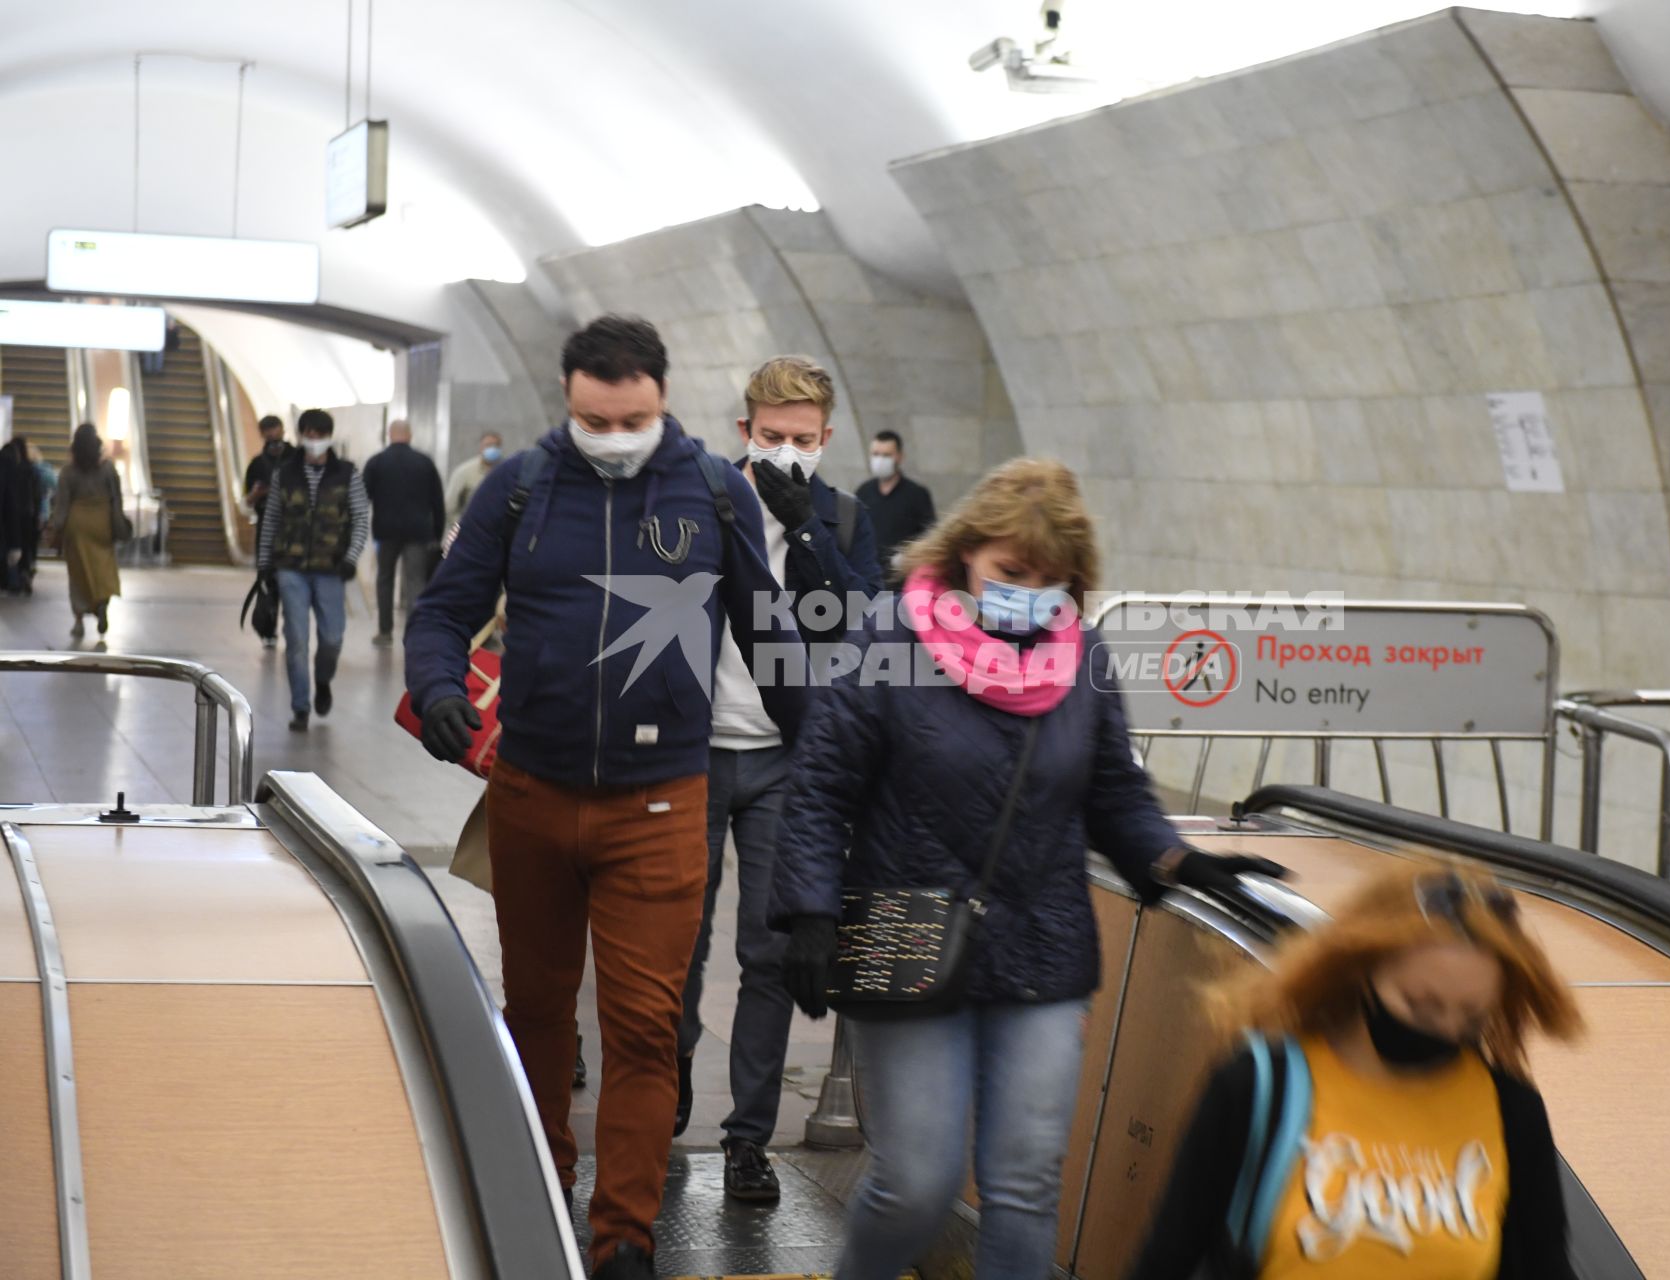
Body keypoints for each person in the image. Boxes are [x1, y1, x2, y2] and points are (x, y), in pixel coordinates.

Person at [771, 457, 1276, 1280]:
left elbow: (1115, 792)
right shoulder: (890, 636)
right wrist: (811, 914)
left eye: (1050, 579)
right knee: (917, 1183)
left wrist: (1181, 862)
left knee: (1025, 1183)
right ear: (966, 551)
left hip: (1042, 949)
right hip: (910, 936)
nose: (1028, 591)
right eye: (1011, 571)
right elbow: (824, 785)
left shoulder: (1082, 660)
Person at [405, 315, 810, 1280]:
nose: (614, 434)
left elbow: (768, 640)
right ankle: (542, 1189)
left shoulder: (713, 492)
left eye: (631, 418)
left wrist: (828, 758)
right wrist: (440, 692)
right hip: (532, 797)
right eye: (595, 417)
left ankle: (624, 1236)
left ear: (662, 401)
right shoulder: (521, 488)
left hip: (660, 803)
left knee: (642, 1024)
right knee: (538, 1011)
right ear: (568, 399)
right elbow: (443, 612)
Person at [1125, 864, 1583, 1280]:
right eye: (1421, 1006)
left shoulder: (1509, 1111)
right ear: (1364, 970)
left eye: (1471, 1018)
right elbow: (1166, 1259)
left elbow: (1546, 1266)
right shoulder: (1260, 1087)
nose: (1445, 1031)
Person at [677, 354, 881, 1200]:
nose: (787, 454)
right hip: (691, 749)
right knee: (675, 945)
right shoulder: (703, 498)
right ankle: (663, 1110)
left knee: (768, 954)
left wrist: (806, 535)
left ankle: (746, 1139)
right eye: (771, 438)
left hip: (783, 755)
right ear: (743, 434)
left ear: (826, 439)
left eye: (803, 441)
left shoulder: (839, 515)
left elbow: (861, 625)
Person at [255, 409, 371, 732]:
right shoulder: (286, 474)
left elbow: (361, 518)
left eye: (320, 435)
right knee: (296, 639)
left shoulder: (348, 474)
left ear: (329, 436)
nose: (315, 441)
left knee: (332, 638)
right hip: (291, 568)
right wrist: (265, 563)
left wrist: (351, 557)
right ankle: (301, 707)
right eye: (309, 434)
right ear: (301, 434)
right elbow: (272, 520)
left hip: (332, 569)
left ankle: (323, 680)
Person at [361, 419, 446, 646]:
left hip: (385, 530)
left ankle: (385, 631)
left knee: (385, 578)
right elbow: (438, 501)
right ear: (410, 435)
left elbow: (362, 498)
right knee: (415, 580)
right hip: (418, 532)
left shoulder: (377, 462)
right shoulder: (424, 463)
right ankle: (414, 632)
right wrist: (437, 534)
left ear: (390, 434)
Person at [47, 423, 129, 639]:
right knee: (103, 567)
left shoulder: (68, 471)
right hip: (101, 522)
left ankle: (79, 619)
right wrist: (118, 523)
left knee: (78, 574)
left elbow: (62, 505)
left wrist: (56, 527)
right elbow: (116, 498)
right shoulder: (108, 468)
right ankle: (102, 603)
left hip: (77, 525)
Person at [854, 429, 935, 575]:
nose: (880, 460)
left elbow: (929, 536)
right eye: (876, 454)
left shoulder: (916, 494)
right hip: (867, 576)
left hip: (900, 578)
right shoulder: (863, 492)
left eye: (886, 455)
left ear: (899, 457)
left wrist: (908, 557)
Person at [243, 415, 290, 647]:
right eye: (268, 431)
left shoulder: (297, 458)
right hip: (267, 529)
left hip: (293, 528)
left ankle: (291, 628)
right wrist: (257, 494)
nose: (273, 435)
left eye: (275, 429)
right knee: (268, 578)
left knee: (291, 581)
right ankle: (269, 630)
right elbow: (247, 500)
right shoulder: (257, 464)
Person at [0, 437, 44, 596]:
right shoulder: (31, 469)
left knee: (10, 547)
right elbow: (37, 495)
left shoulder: (10, 467)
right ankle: (24, 572)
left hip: (12, 515)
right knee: (25, 548)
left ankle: (13, 579)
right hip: (27, 514)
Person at [445, 431, 504, 522]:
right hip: (470, 527)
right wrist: (462, 525)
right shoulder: (464, 472)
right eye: (488, 445)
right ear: (480, 447)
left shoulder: (506, 472)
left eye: (496, 445)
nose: (492, 449)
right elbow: (450, 506)